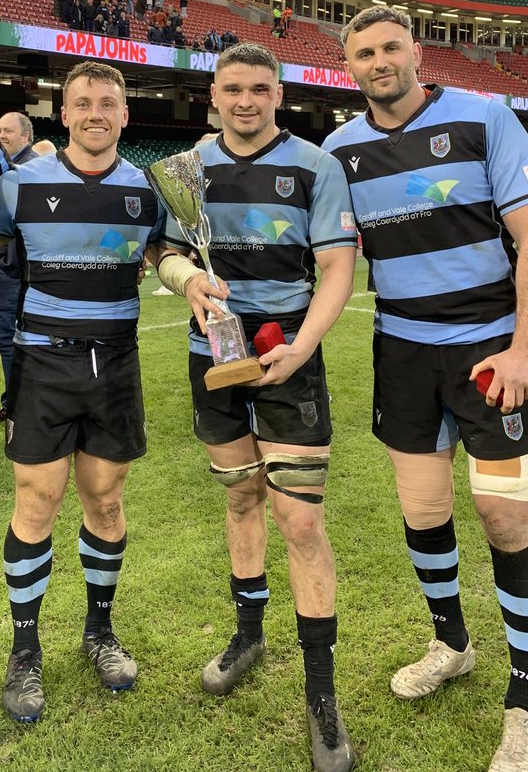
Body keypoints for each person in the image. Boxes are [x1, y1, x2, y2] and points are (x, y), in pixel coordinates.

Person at [322, 6, 528, 772]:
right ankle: (451, 642)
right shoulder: (340, 150)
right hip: (403, 352)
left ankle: (525, 704)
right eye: (364, 52)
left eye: (391, 46)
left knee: (504, 519)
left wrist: (525, 351)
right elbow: (324, 254)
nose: (379, 60)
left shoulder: (485, 118)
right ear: (349, 66)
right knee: (424, 511)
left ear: (415, 52)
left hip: (492, 352)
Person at [156, 42, 358, 772]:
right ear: (214, 94)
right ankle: (249, 634)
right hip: (211, 354)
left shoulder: (316, 165)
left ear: (279, 94)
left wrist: (304, 344)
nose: (246, 100)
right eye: (233, 88)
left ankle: (321, 695)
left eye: (260, 89)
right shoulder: (188, 170)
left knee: (300, 517)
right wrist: (188, 283)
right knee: (240, 497)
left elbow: (338, 265)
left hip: (288, 359)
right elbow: (168, 252)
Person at [0, 60, 166, 725]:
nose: (95, 112)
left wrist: (189, 277)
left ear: (124, 114)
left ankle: (98, 631)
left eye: (107, 102)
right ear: (64, 114)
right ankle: (24, 651)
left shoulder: (150, 191)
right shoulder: (18, 187)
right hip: (41, 365)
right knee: (37, 500)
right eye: (82, 102)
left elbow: (165, 256)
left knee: (106, 499)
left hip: (116, 365)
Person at [0, 112, 38, 425]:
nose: (1, 135)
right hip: (8, 269)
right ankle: (14, 402)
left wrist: (0, 264)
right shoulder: (8, 166)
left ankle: (19, 406)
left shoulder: (27, 169)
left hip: (12, 270)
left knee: (7, 337)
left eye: (8, 131)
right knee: (8, 337)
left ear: (25, 136)